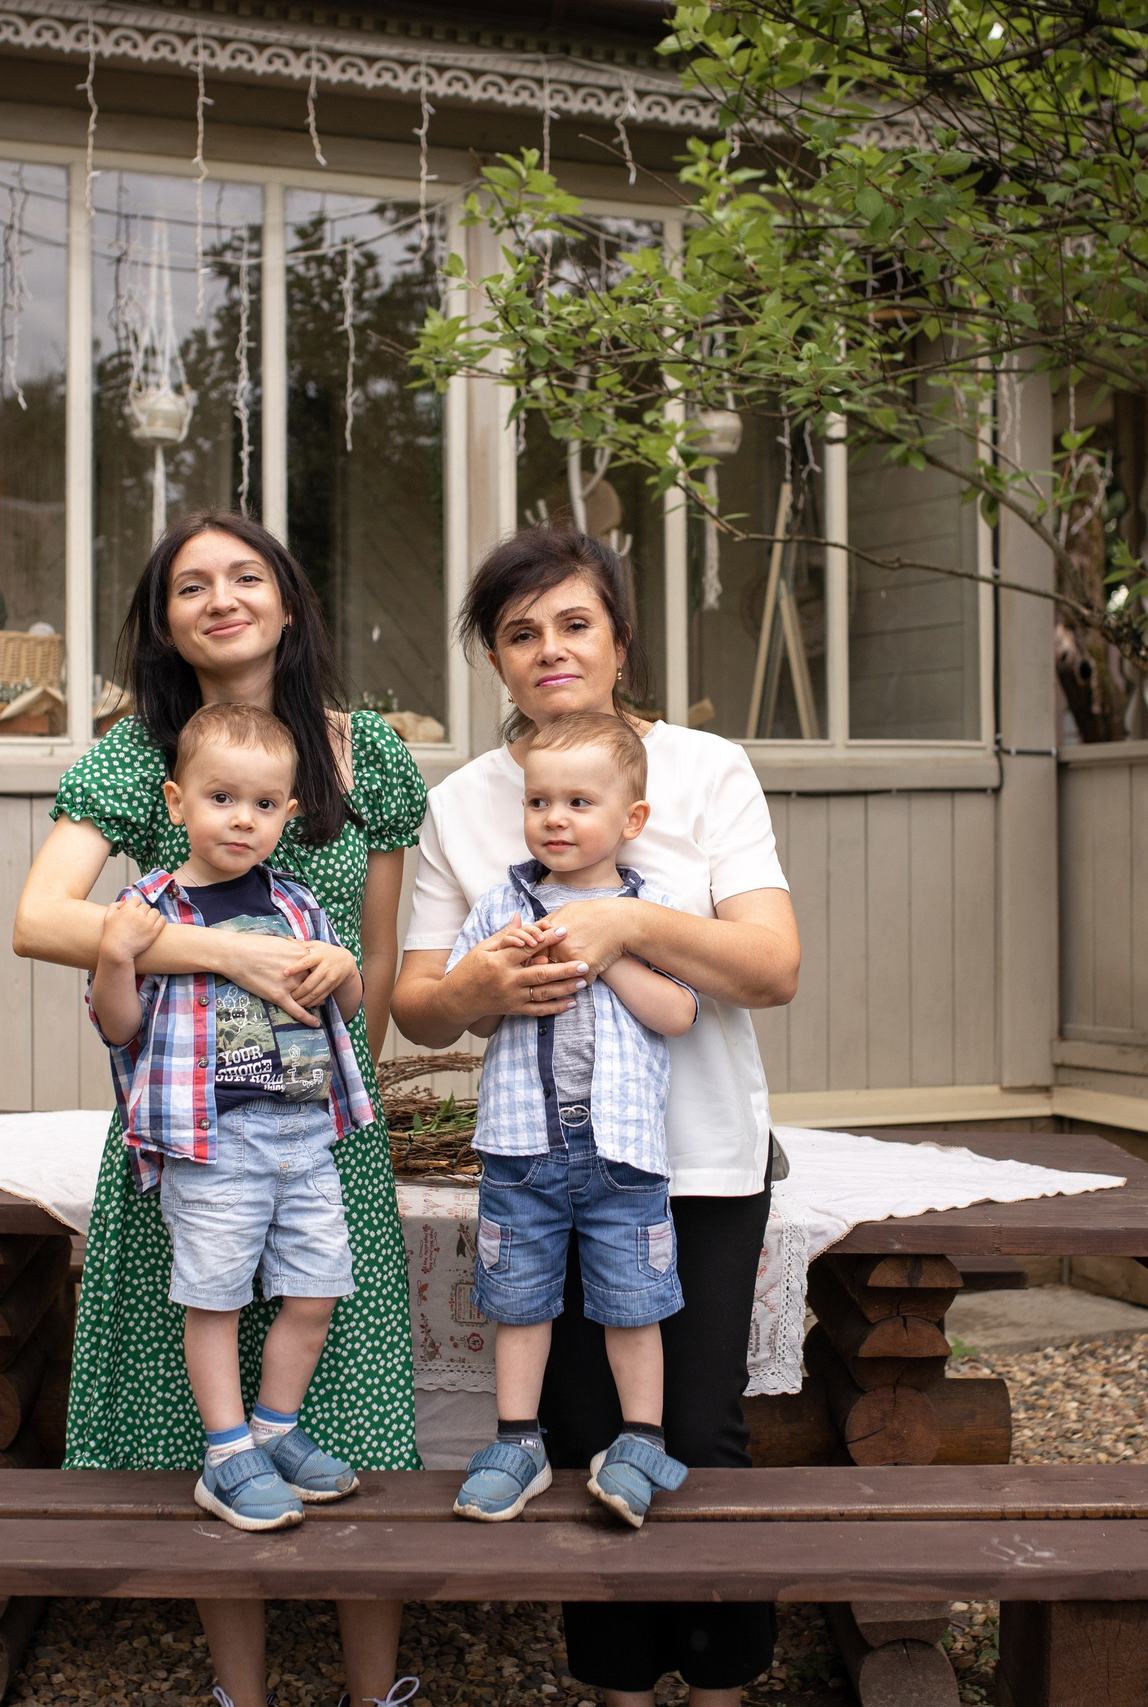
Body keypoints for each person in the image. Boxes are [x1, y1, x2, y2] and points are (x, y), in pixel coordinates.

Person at [14, 512, 427, 1707]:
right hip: (183, 1141)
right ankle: (237, 1694)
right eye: (189, 585)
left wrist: (362, 1116)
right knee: (207, 1430)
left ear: (289, 604)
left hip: (324, 1134)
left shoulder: (372, 759)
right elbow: (40, 917)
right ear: (165, 622)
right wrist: (223, 956)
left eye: (245, 576)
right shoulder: (134, 758)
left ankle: (372, 1692)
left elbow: (380, 957)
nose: (220, 597)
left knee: (346, 1407)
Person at [393, 525, 802, 1707]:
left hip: (697, 1162)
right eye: (520, 633)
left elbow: (771, 966)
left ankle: (722, 1684)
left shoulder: (706, 769)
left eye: (574, 623)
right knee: (574, 1441)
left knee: (698, 1434)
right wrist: (479, 988)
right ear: (495, 661)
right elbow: (420, 1006)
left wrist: (623, 927)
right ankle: (618, 1687)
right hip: (544, 1162)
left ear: (621, 640)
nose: (549, 648)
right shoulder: (462, 806)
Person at [87, 701, 373, 1533]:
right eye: (220, 798)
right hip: (213, 1144)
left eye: (261, 803)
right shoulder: (149, 909)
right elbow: (117, 1025)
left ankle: (275, 1428)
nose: (240, 819)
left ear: (289, 814)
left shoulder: (298, 906)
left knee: (315, 1291)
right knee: (214, 1298)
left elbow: (345, 1007)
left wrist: (343, 961)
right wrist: (115, 953)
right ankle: (225, 1454)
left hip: (305, 1138)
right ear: (178, 803)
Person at [443, 711, 697, 1526]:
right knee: (519, 1302)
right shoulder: (501, 907)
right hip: (520, 1151)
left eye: (579, 802)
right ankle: (517, 1442)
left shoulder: (651, 908)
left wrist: (613, 952)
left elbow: (680, 1013)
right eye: (539, 800)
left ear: (631, 820)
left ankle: (639, 1440)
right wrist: (497, 978)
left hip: (624, 1153)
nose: (556, 817)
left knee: (635, 1302)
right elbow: (470, 1018)